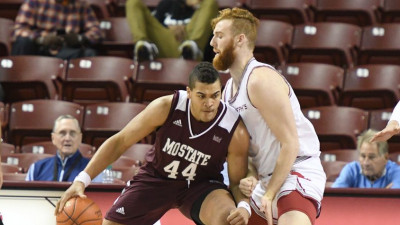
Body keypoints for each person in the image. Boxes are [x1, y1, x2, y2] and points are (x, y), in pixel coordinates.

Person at [55, 62, 252, 225]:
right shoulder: (167, 106)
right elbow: (120, 142)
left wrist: (243, 207)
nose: (209, 103)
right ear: (189, 92)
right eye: (202, 96)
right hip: (157, 179)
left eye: (215, 95)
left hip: (201, 185)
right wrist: (82, 180)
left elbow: (236, 183)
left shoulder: (234, 128)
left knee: (229, 221)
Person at [210, 8, 326, 225]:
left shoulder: (260, 79)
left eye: (219, 35)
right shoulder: (227, 92)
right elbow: (248, 149)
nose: (212, 43)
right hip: (265, 180)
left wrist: (270, 193)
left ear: (239, 39)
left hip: (295, 171)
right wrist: (250, 176)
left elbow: (291, 143)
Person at [126, 0, 218, 61]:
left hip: (188, 39)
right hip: (164, 42)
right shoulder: (168, 3)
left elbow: (211, 31)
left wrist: (198, 5)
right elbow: (154, 25)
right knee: (133, 2)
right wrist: (169, 27)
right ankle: (144, 45)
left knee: (211, 2)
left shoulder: (206, 6)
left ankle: (193, 48)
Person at [11, 0, 103, 60]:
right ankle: (17, 85)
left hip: (65, 50)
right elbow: (18, 29)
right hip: (39, 49)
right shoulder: (34, 2)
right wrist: (40, 39)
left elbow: (97, 33)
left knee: (89, 54)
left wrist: (80, 38)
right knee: (22, 42)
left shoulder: (82, 6)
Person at [25, 115, 101, 182]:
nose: (67, 138)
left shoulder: (93, 169)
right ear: (53, 138)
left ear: (80, 138)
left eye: (72, 133)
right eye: (62, 133)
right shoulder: (37, 168)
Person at [332, 129, 400, 188]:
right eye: (363, 156)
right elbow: (334, 197)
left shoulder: (396, 172)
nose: (366, 163)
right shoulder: (351, 170)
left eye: (372, 157)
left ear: (385, 158)